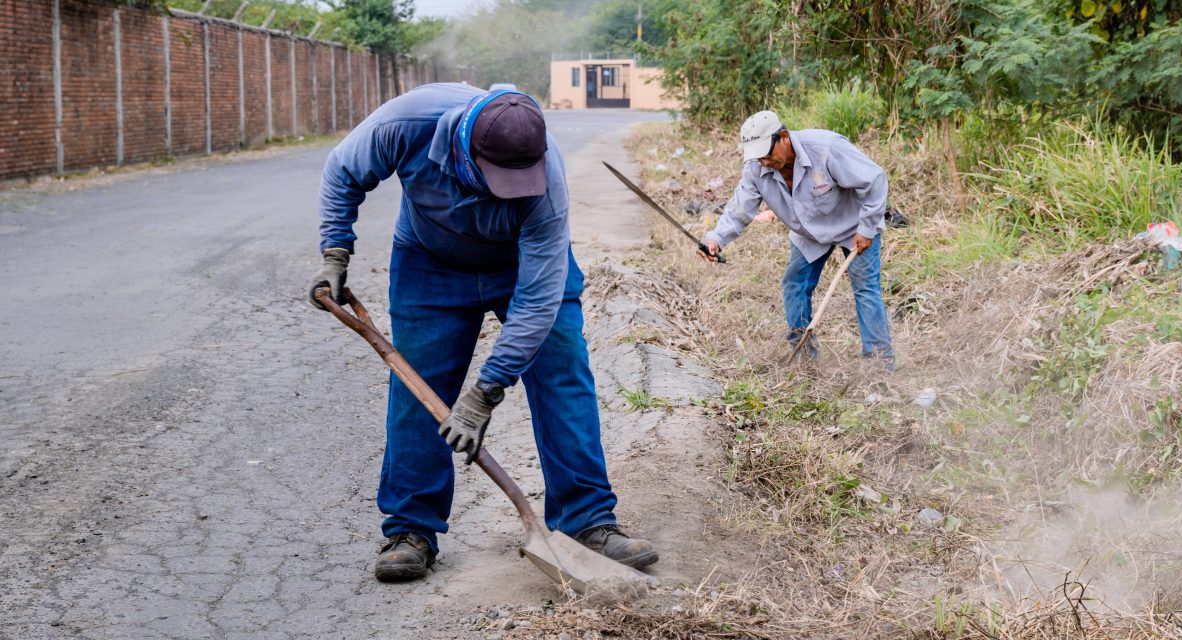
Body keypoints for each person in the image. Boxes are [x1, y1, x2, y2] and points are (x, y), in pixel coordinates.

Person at [308, 83, 657, 583]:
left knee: (563, 374)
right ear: (463, 147)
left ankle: (588, 520)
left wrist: (486, 391)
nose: (510, 189)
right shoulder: (404, 124)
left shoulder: (546, 175)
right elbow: (342, 172)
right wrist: (335, 254)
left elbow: (537, 301)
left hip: (523, 265)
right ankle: (411, 529)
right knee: (418, 388)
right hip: (430, 260)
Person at [699, 110, 894, 367]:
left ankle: (879, 363)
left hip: (853, 226)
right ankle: (804, 358)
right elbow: (739, 209)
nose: (765, 163)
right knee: (794, 284)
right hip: (809, 233)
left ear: (784, 137)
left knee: (865, 289)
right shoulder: (756, 168)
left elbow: (875, 180)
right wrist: (716, 238)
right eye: (758, 158)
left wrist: (867, 228)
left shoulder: (826, 149)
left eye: (768, 155)